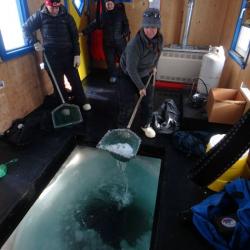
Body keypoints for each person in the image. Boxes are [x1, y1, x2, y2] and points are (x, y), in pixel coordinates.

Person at [23, 0, 91, 111]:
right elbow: (25, 28)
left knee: (75, 80)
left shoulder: (67, 17)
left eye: (57, 7)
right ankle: (64, 104)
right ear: (47, 5)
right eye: (52, 8)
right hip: (51, 57)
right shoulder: (40, 16)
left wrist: (77, 54)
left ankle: (83, 101)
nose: (55, 10)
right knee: (58, 83)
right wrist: (33, 41)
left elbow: (74, 37)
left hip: (68, 55)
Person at [118, 8, 163, 138]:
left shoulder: (159, 39)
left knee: (148, 102)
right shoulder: (134, 44)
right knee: (127, 104)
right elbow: (131, 69)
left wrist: (154, 66)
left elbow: (158, 54)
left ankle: (145, 125)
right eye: (147, 26)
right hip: (127, 74)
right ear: (143, 26)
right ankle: (122, 129)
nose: (150, 30)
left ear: (158, 28)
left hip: (144, 72)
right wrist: (141, 87)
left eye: (154, 27)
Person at [82, 0, 130, 83]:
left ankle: (127, 74)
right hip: (108, 43)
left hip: (120, 41)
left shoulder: (120, 13)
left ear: (114, 4)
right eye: (107, 4)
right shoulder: (103, 15)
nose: (109, 5)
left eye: (111, 4)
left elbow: (126, 24)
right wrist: (83, 32)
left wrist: (124, 34)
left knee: (124, 59)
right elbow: (94, 24)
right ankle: (113, 75)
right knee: (110, 60)